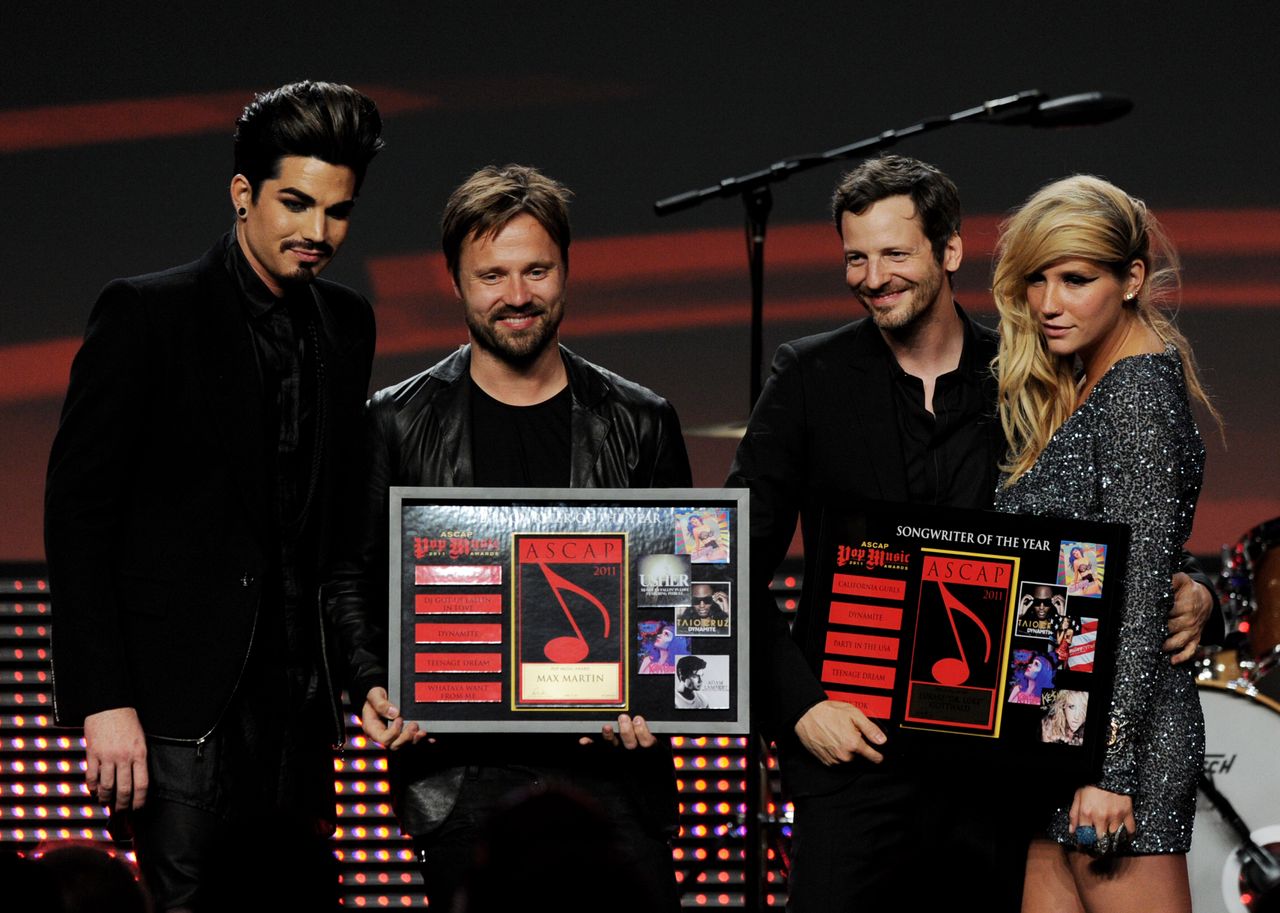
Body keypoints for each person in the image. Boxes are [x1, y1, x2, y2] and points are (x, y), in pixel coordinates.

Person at [725, 155, 1219, 913]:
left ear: (949, 251)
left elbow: (1107, 534)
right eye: (856, 256)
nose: (872, 275)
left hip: (993, 779)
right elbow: (726, 565)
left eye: (895, 253)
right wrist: (799, 705)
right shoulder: (807, 379)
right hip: (850, 759)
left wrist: (1190, 591)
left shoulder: (1029, 375)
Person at [43, 80, 384, 911]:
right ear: (243, 194)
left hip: (299, 706)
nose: (316, 232)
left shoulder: (346, 324)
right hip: (176, 707)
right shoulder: (147, 314)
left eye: (337, 212)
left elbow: (334, 526)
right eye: (295, 204)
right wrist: (104, 700)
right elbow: (77, 516)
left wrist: (361, 673)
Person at [323, 164, 690, 911]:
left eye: (536, 270)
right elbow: (350, 575)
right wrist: (372, 682)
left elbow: (677, 590)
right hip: (460, 772)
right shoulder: (393, 421)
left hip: (612, 765)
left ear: (566, 272)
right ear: (455, 279)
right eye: (492, 273)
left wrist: (661, 694)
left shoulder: (643, 419)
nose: (516, 295)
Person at [992, 174, 1219, 912]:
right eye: (1038, 279)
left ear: (1131, 279)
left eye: (1076, 278)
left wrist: (1111, 769)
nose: (1050, 303)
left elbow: (1138, 597)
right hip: (1062, 735)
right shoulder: (1092, 383)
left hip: (1116, 749)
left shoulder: (1138, 396)